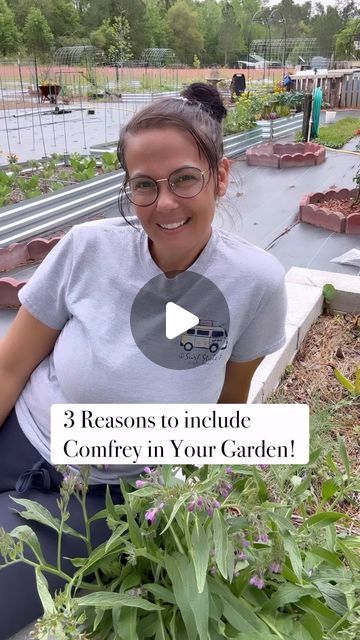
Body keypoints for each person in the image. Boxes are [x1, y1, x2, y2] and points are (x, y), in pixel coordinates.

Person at [0, 82, 287, 638]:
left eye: (184, 178)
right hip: (19, 435)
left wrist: (205, 509)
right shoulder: (87, 248)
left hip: (99, 494)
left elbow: (231, 407)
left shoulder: (256, 284)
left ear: (220, 178)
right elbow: (11, 366)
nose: (165, 203)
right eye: (144, 186)